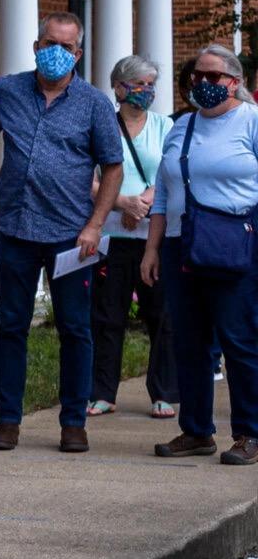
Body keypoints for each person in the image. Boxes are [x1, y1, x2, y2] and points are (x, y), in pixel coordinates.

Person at [0, 10, 124, 453]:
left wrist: (96, 225)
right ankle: (8, 421)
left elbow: (113, 167)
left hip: (70, 235)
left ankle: (73, 421)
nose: (56, 53)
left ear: (78, 53)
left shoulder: (94, 102)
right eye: (49, 44)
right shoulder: (8, 90)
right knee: (12, 328)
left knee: (76, 329)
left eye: (67, 47)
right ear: (36, 46)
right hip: (18, 230)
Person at [143, 42, 258, 467]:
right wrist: (152, 249)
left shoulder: (251, 122)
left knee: (239, 340)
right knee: (189, 342)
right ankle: (196, 430)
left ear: (235, 82)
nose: (204, 83)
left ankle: (250, 432)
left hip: (235, 244)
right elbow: (162, 194)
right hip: (180, 245)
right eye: (198, 76)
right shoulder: (183, 126)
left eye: (214, 77)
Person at [88, 55, 177, 419]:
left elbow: (173, 172)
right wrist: (120, 202)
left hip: (154, 236)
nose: (146, 91)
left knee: (161, 315)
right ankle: (103, 392)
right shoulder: (102, 125)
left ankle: (163, 393)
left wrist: (144, 202)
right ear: (119, 87)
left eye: (151, 83)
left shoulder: (164, 126)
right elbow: (86, 178)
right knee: (108, 315)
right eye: (138, 83)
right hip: (112, 236)